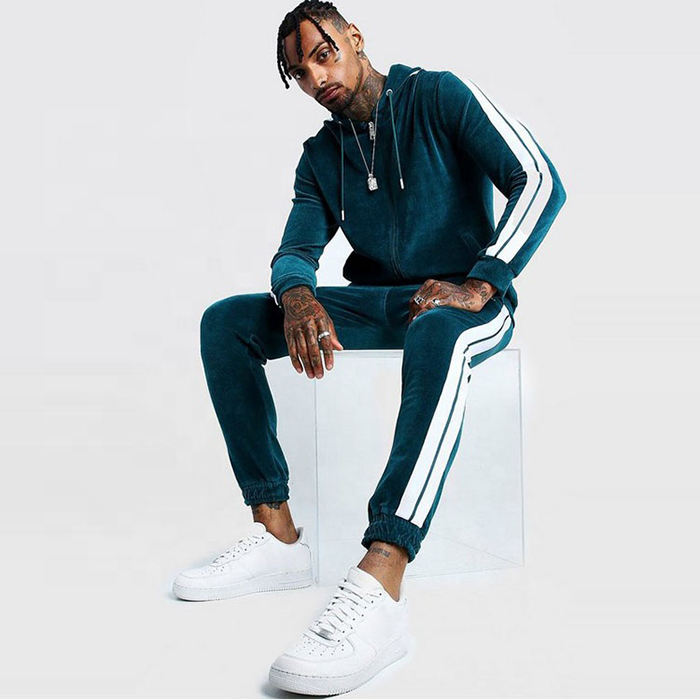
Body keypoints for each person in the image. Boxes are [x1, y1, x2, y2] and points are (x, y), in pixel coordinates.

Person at [172, 0, 567, 694]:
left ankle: (383, 576)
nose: (316, 78)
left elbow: (538, 181)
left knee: (436, 327)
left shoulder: (438, 95)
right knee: (225, 323)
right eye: (300, 72)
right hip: (383, 302)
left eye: (323, 54)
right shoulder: (321, 156)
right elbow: (296, 249)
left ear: (354, 38)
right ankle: (277, 534)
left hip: (461, 303)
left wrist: (483, 281)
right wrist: (298, 295)